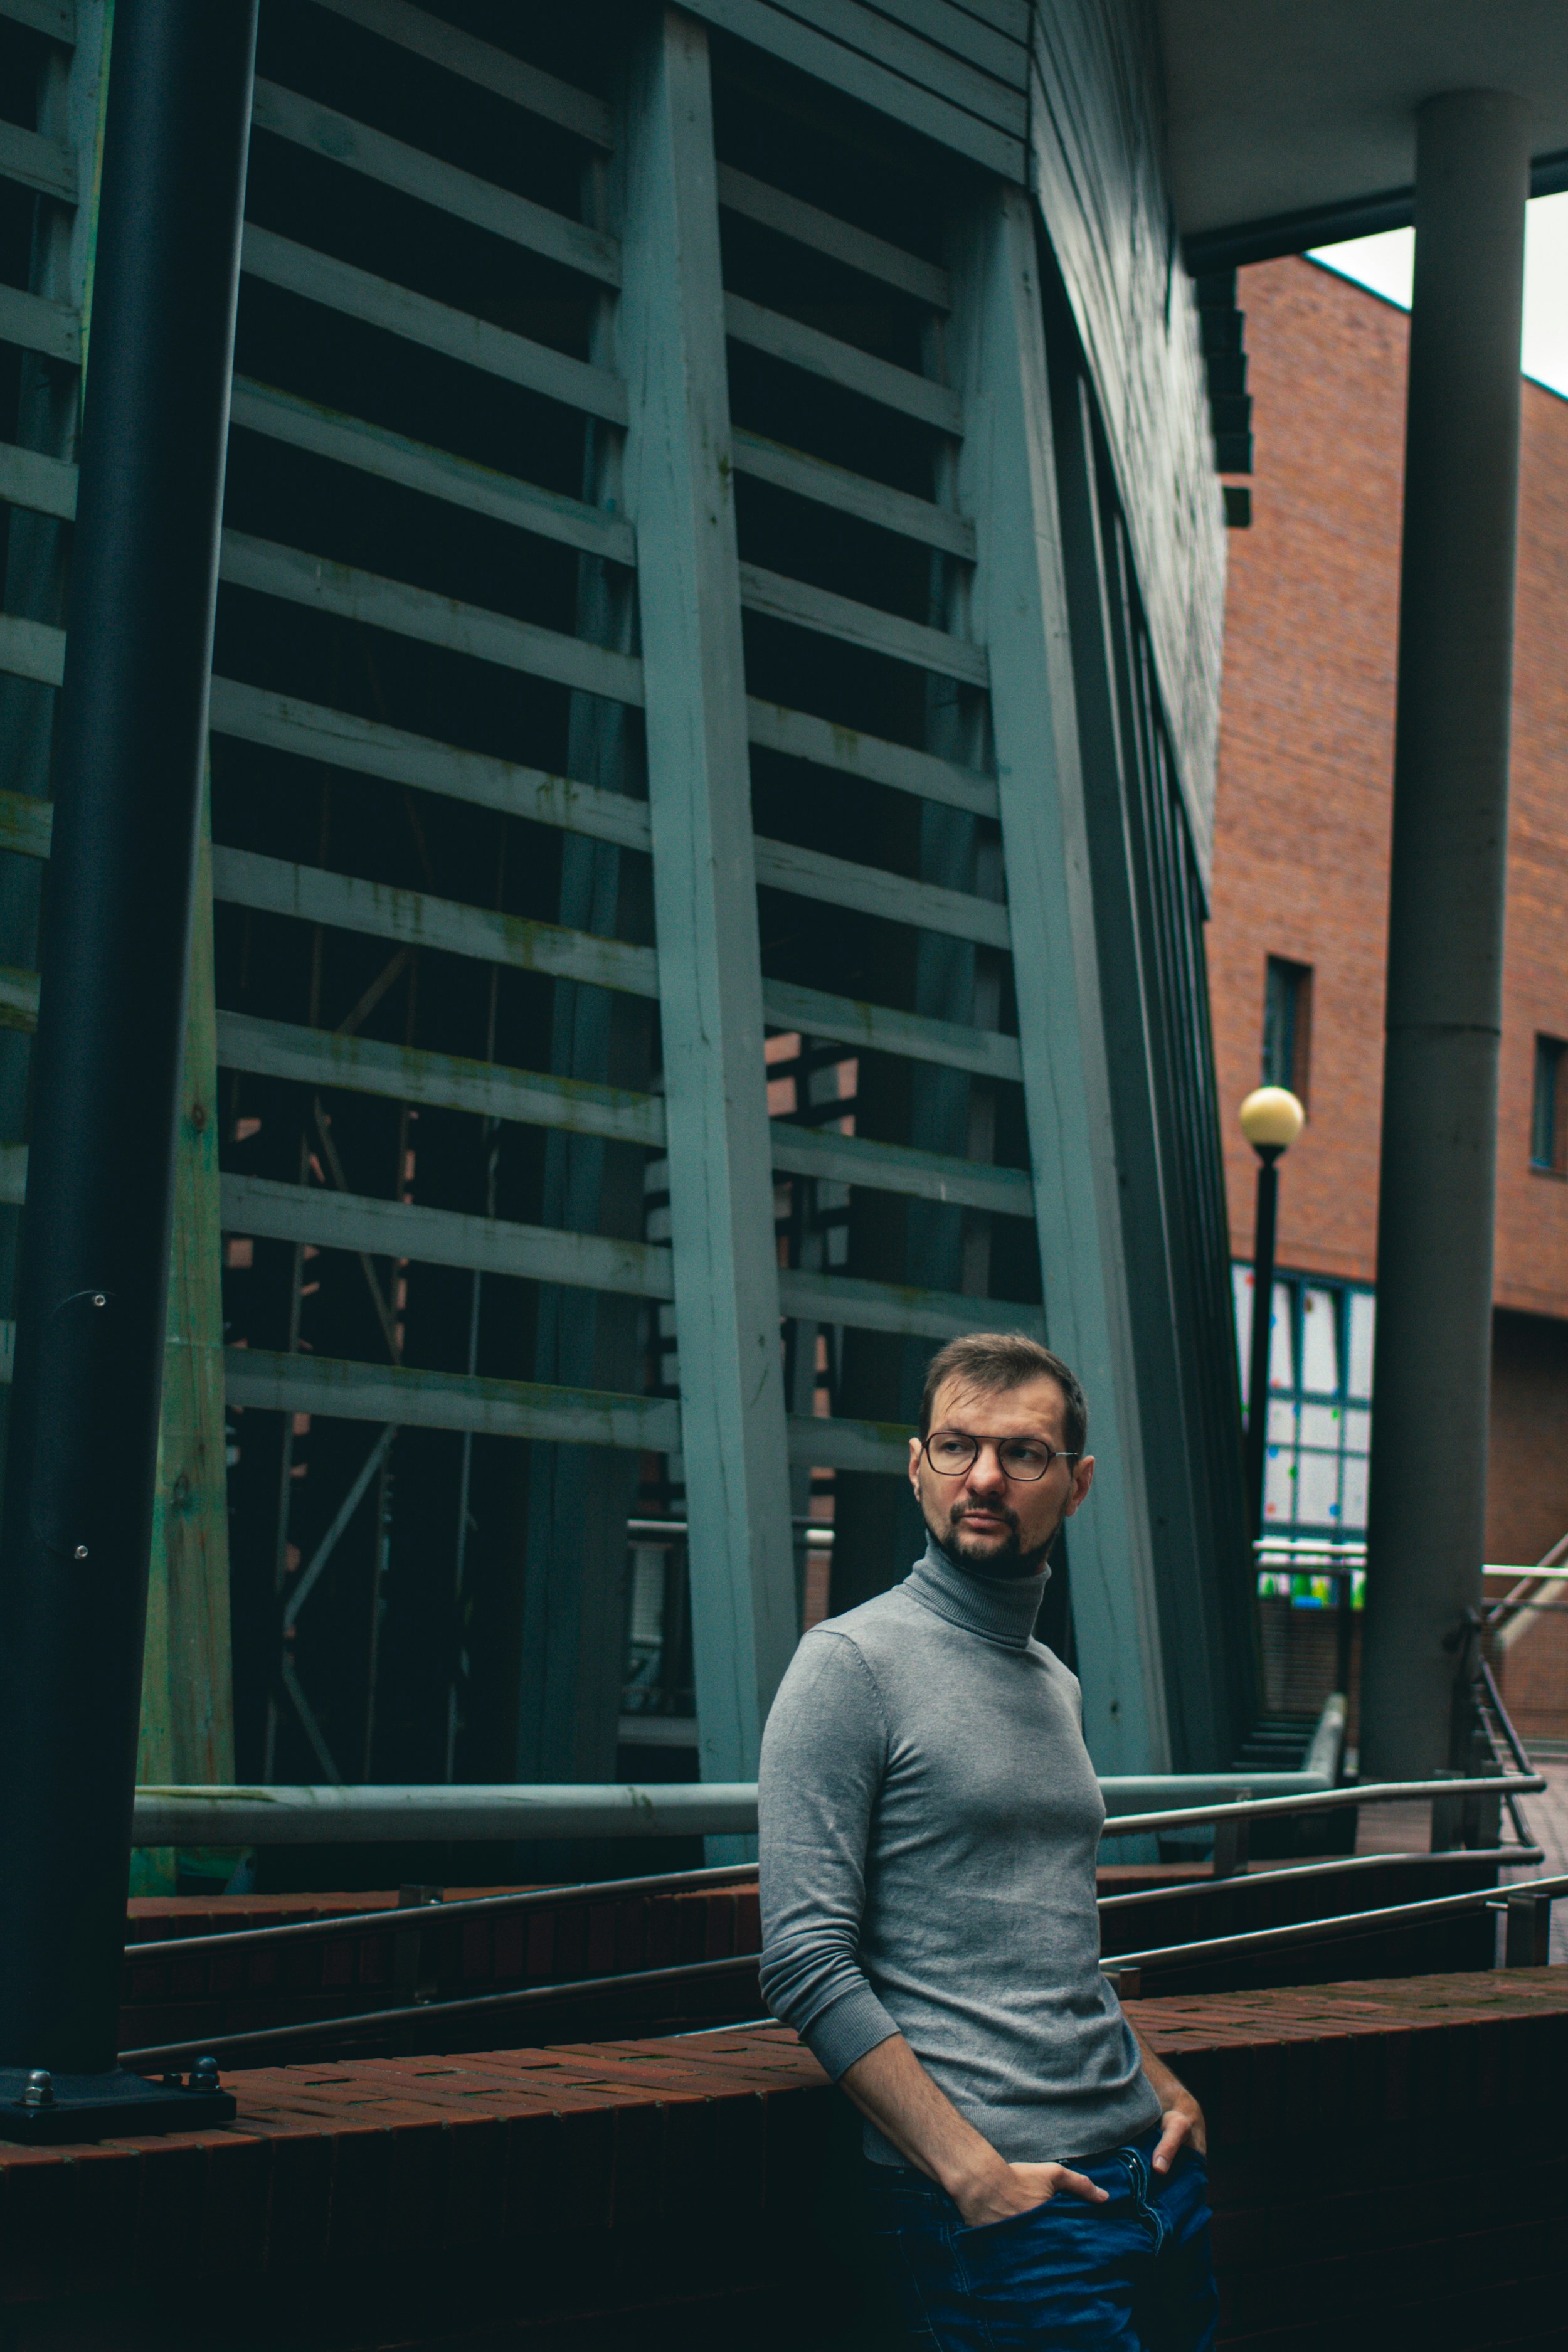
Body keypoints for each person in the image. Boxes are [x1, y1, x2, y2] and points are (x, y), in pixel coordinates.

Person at [758, 1331, 1217, 2351]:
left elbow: (1040, 1934)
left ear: (1077, 1482)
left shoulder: (1050, 1680)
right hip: (1005, 2215)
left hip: (1149, 2180)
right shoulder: (848, 1663)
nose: (985, 1477)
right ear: (917, 1465)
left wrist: (1156, 2077)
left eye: (1023, 1453)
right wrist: (969, 2170)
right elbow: (803, 1959)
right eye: (958, 1446)